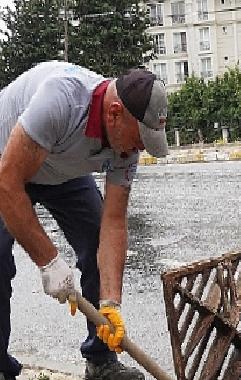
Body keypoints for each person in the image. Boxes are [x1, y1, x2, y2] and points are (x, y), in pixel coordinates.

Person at [0, 61, 169, 380]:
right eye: (138, 140)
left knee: (95, 243)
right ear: (114, 113)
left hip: (60, 171)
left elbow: (114, 222)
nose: (138, 150)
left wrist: (110, 302)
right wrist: (49, 262)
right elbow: (8, 182)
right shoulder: (60, 100)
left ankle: (100, 361)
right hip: (6, 161)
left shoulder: (126, 146)